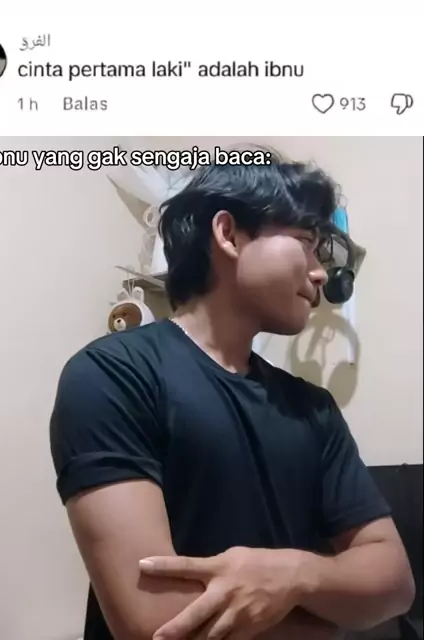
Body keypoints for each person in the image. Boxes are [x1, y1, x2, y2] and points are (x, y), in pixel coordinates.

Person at [50, 153, 415, 640]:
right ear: (229, 234)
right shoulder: (113, 374)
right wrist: (330, 622)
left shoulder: (314, 409)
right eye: (306, 243)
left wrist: (293, 573)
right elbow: (154, 623)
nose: (320, 274)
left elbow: (394, 583)